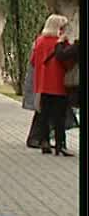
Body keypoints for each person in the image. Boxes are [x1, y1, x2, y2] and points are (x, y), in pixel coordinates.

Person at [31, 14, 72, 156]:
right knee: (59, 117)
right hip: (59, 83)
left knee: (44, 115)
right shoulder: (62, 43)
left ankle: (45, 142)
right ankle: (60, 144)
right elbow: (68, 61)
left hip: (43, 84)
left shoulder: (39, 41)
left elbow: (33, 61)